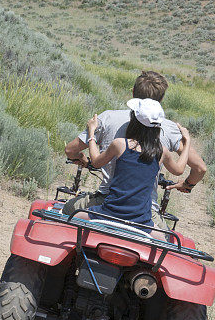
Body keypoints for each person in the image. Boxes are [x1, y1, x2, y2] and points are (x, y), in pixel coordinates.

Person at [63, 71, 207, 228]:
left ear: (133, 93)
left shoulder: (108, 120)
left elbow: (71, 150)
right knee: (166, 241)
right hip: (145, 211)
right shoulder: (168, 134)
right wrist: (187, 184)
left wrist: (84, 158)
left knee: (67, 210)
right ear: (161, 100)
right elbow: (199, 168)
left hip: (108, 202)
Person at [73, 98, 190, 240]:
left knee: (69, 215)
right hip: (142, 222)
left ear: (133, 121)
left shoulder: (120, 144)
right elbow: (179, 169)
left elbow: (96, 162)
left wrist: (92, 133)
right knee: (166, 242)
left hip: (108, 214)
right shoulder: (162, 152)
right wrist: (187, 141)